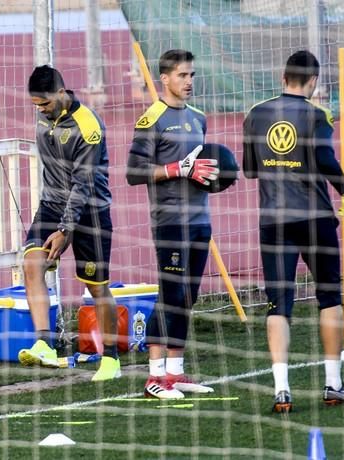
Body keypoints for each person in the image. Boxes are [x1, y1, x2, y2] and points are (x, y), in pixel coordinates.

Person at [242, 50, 344, 413]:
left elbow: (249, 170)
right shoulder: (316, 114)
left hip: (273, 220)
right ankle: (333, 384)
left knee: (279, 303)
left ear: (283, 77)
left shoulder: (256, 114)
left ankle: (282, 390)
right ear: (313, 81)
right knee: (329, 297)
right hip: (314, 218)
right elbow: (325, 159)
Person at [17, 65, 120, 382]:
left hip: (88, 211)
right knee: (32, 264)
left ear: (61, 93)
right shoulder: (44, 114)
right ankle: (45, 344)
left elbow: (83, 186)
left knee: (96, 286)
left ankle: (111, 360)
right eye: (36, 106)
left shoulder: (88, 127)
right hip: (51, 204)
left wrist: (64, 231)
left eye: (45, 104)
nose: (41, 111)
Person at [126, 49, 220, 399]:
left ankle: (175, 373)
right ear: (164, 79)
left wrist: (215, 175)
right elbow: (133, 172)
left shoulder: (198, 118)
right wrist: (176, 169)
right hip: (169, 223)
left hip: (200, 220)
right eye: (182, 76)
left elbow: (203, 165)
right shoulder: (152, 120)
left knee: (188, 297)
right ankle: (153, 377)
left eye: (192, 75)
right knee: (171, 295)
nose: (189, 81)